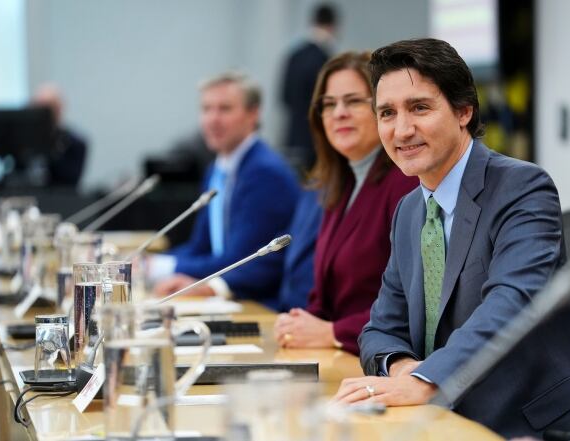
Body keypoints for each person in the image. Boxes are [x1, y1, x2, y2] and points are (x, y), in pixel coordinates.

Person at [333, 39, 570, 437]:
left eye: (420, 107)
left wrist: (425, 380)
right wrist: (404, 370)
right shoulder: (409, 211)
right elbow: (381, 328)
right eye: (387, 113)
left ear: (464, 111)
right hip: (445, 418)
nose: (402, 129)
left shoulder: (522, 187)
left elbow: (512, 304)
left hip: (528, 423)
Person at [273, 51, 418, 354]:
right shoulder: (339, 183)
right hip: (341, 355)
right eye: (329, 104)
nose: (339, 113)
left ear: (384, 110)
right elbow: (325, 295)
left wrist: (332, 332)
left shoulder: (407, 182)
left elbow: (415, 303)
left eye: (353, 101)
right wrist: (302, 322)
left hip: (385, 359)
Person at [150, 72, 300, 309]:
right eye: (206, 109)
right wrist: (154, 262)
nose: (213, 119)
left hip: (257, 304)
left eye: (225, 109)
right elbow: (201, 247)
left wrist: (162, 267)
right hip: (225, 300)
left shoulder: (264, 172)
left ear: (253, 114)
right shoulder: (216, 168)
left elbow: (238, 261)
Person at [280, 3, 338, 173]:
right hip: (317, 141)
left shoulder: (294, 55)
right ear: (333, 26)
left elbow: (284, 97)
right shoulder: (325, 60)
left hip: (292, 137)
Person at [32, 83, 88, 186]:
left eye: (48, 109)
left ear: (59, 109)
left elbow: (70, 180)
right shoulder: (24, 143)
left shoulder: (75, 144)